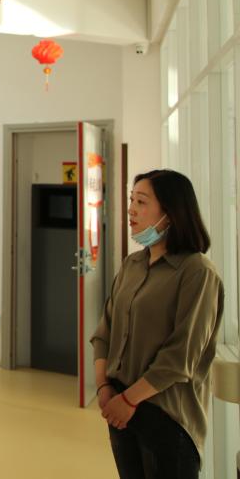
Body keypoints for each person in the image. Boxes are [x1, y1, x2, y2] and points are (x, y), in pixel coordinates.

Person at [91, 169, 224, 479]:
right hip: (120, 409)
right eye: (131, 200)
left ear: (171, 213)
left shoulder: (197, 272)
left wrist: (129, 400)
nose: (131, 210)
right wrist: (104, 387)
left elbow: (181, 356)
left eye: (141, 202)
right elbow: (105, 332)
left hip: (166, 417)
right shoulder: (132, 264)